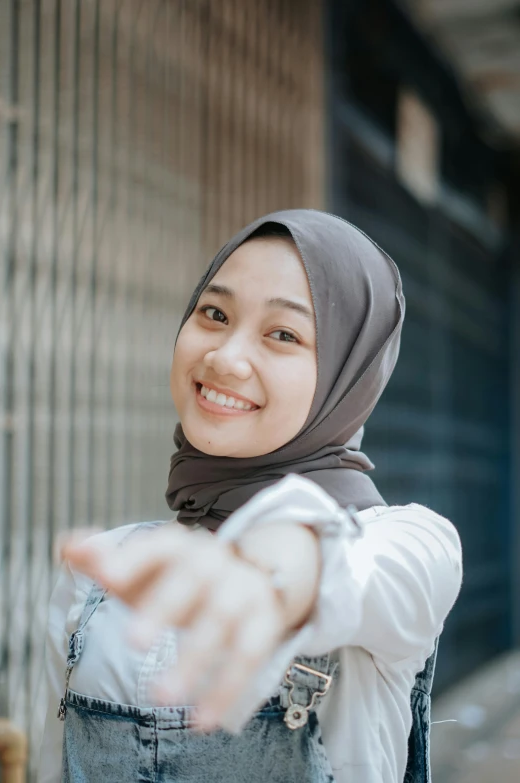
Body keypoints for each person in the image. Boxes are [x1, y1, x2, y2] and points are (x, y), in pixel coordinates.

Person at [40, 210, 462, 783]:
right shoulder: (101, 572)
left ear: (350, 375)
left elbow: (353, 571)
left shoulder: (411, 542)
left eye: (283, 334)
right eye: (214, 314)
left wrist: (279, 572)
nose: (224, 358)